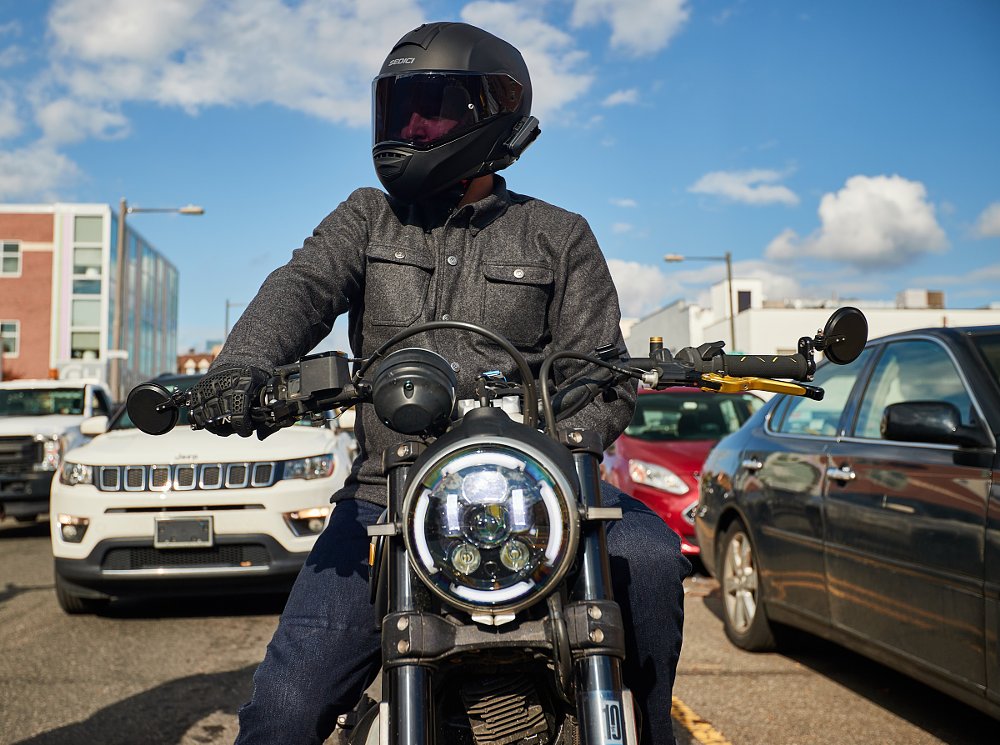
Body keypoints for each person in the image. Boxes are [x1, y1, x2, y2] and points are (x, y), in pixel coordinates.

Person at [190, 21, 690, 745]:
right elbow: (300, 286)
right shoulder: (368, 217)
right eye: (398, 109)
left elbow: (600, 373)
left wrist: (559, 445)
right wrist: (242, 366)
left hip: (539, 496)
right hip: (382, 495)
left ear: (492, 114)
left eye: (430, 109)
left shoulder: (559, 234)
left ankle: (641, 725)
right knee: (283, 710)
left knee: (648, 554)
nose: (410, 126)